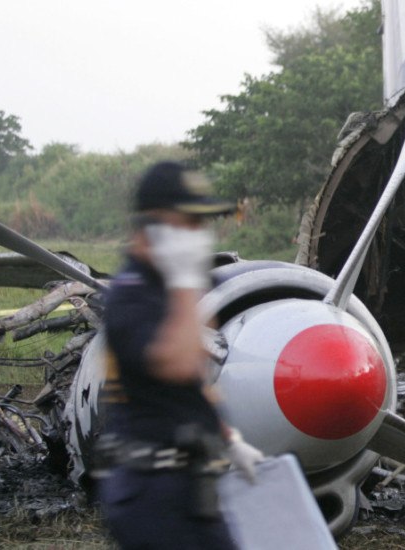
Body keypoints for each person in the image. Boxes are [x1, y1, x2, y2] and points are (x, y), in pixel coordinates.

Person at [97, 161, 264, 550]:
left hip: (189, 487)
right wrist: (186, 280)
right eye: (188, 221)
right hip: (150, 492)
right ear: (153, 225)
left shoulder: (163, 287)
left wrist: (229, 439)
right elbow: (179, 362)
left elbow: (195, 379)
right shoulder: (131, 293)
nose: (198, 233)